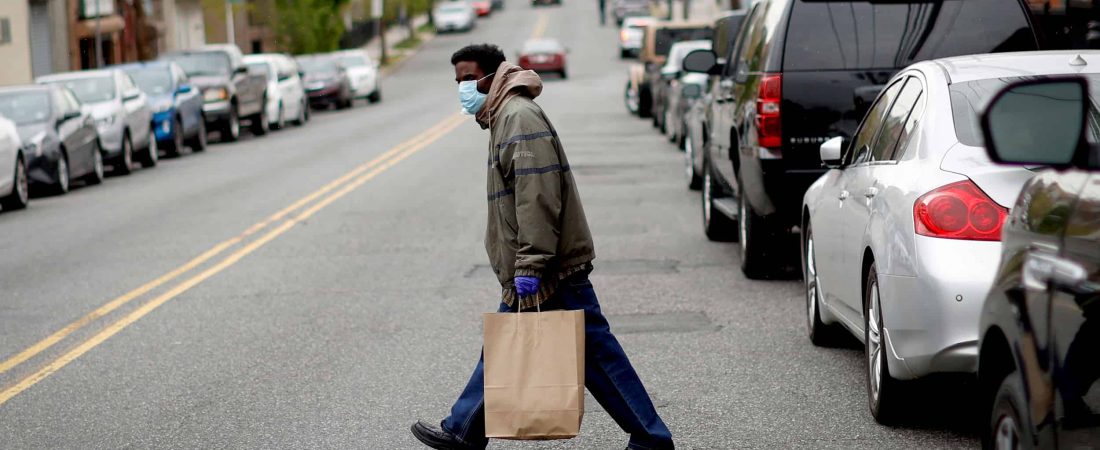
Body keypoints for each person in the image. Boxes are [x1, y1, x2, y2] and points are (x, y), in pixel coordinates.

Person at [410, 44, 675, 450]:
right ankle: (463, 429)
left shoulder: (517, 118)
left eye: (467, 78)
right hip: (540, 262)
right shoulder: (503, 115)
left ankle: (651, 438)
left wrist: (530, 266)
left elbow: (537, 196)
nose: (462, 87)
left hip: (547, 267)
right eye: (457, 80)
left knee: (589, 355)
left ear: (491, 76)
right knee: (544, 349)